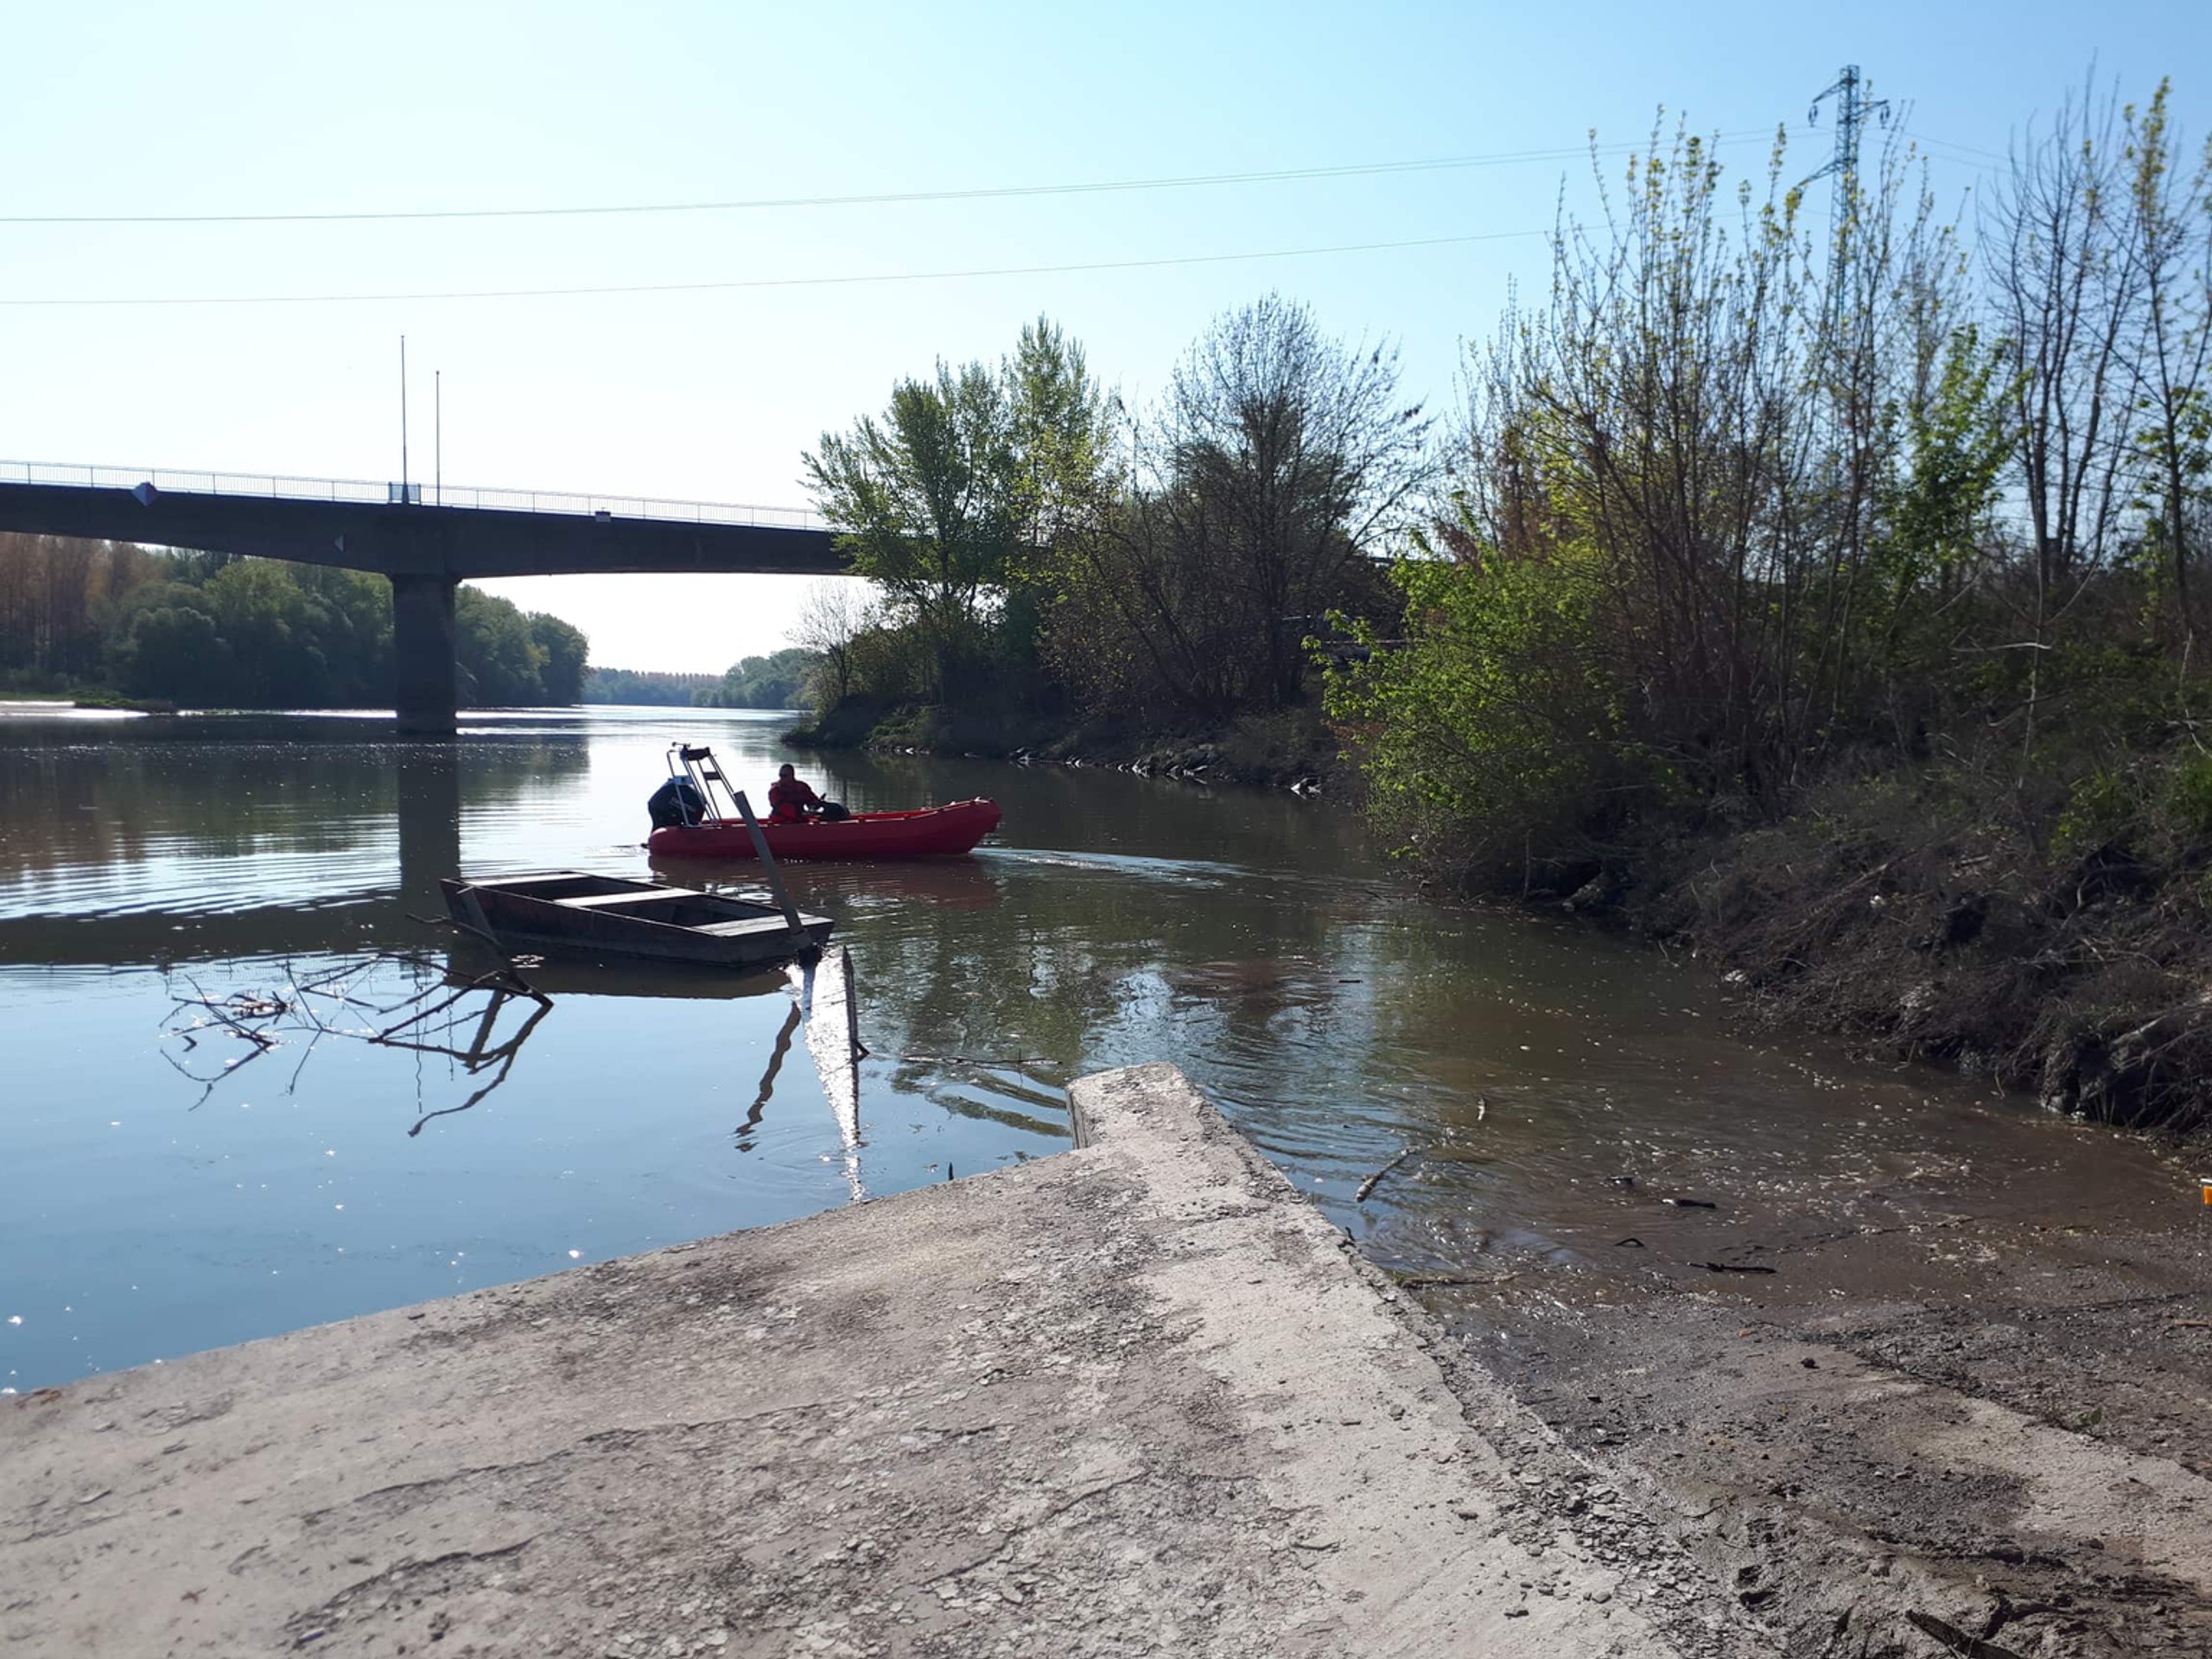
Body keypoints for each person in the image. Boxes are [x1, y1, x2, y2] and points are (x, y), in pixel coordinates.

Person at [767, 763, 848, 823]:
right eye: (780, 775)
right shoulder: (775, 791)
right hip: (781, 822)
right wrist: (802, 814)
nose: (782, 778)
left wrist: (817, 804)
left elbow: (811, 799)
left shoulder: (801, 787)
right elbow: (784, 808)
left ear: (792, 775)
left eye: (785, 776)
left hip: (799, 821)